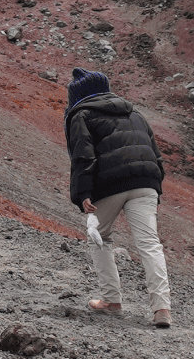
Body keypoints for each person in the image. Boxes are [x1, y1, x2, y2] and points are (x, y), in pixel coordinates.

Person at [63, 67, 172, 328]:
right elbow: (156, 155)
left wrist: (83, 194)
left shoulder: (82, 114)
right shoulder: (135, 113)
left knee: (99, 235)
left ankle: (112, 301)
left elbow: (83, 156)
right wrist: (155, 189)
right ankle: (162, 309)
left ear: (77, 96)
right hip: (146, 182)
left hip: (110, 184)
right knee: (149, 244)